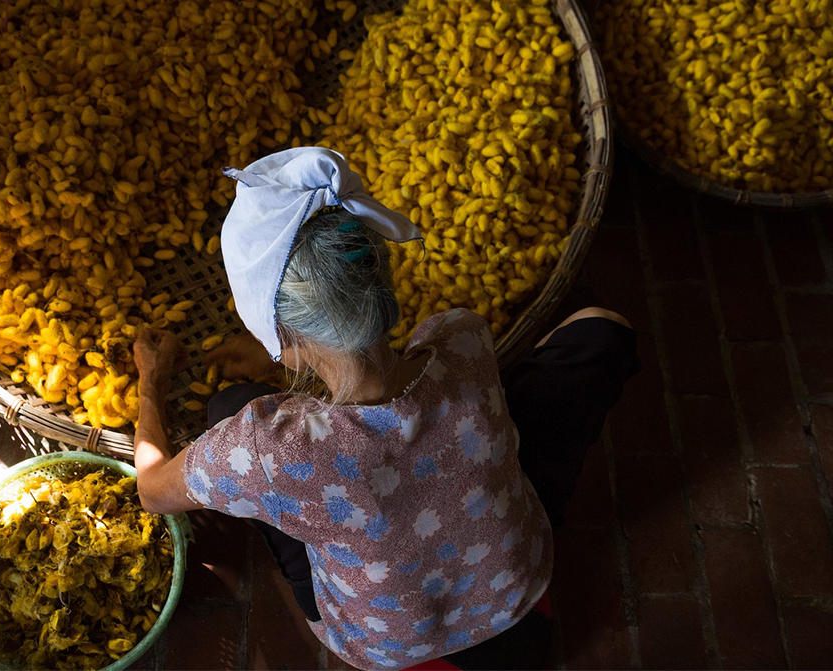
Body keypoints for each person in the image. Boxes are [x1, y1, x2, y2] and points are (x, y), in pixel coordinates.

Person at [131, 147, 639, 670]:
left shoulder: (268, 449)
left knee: (225, 407)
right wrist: (287, 359)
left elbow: (152, 490)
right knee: (600, 329)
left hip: (384, 645)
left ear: (281, 336)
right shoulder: (461, 337)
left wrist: (152, 381)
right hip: (517, 589)